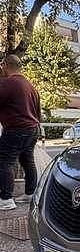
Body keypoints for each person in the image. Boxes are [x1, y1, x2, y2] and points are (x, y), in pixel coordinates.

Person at [0, 54, 41, 210]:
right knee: (27, 161)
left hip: (17, 129)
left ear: (4, 65)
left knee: (4, 161)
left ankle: (6, 199)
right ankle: (30, 194)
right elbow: (38, 112)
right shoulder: (30, 85)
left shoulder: (8, 83)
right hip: (33, 129)